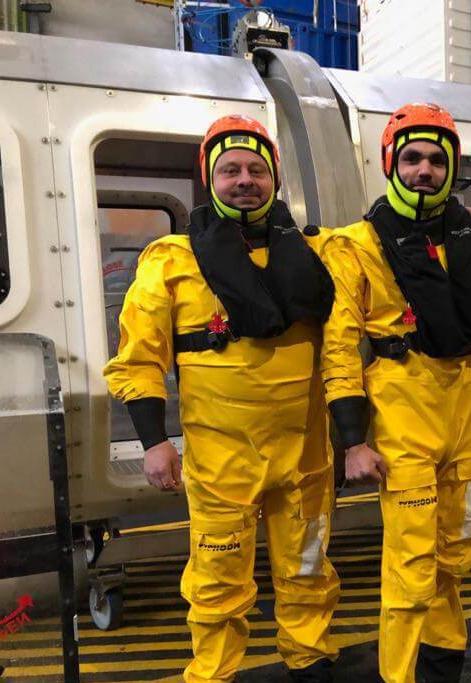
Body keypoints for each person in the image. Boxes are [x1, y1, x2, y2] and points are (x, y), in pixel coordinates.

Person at [104, 115, 340, 683]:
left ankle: (308, 659)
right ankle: (214, 671)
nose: (244, 180)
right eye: (230, 169)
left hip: (305, 459)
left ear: (275, 179)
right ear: (209, 178)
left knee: (307, 567)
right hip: (221, 464)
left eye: (257, 170)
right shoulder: (171, 260)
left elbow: (384, 250)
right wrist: (154, 442)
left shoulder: (323, 253)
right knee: (217, 579)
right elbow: (139, 358)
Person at [319, 102, 471, 683]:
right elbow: (340, 347)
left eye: (436, 160)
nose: (424, 169)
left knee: (457, 548)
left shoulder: (470, 234)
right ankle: (398, 673)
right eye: (412, 158)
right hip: (402, 407)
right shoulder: (356, 245)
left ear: (451, 168)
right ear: (391, 163)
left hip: (462, 407)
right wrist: (353, 440)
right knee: (412, 562)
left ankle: (445, 657)